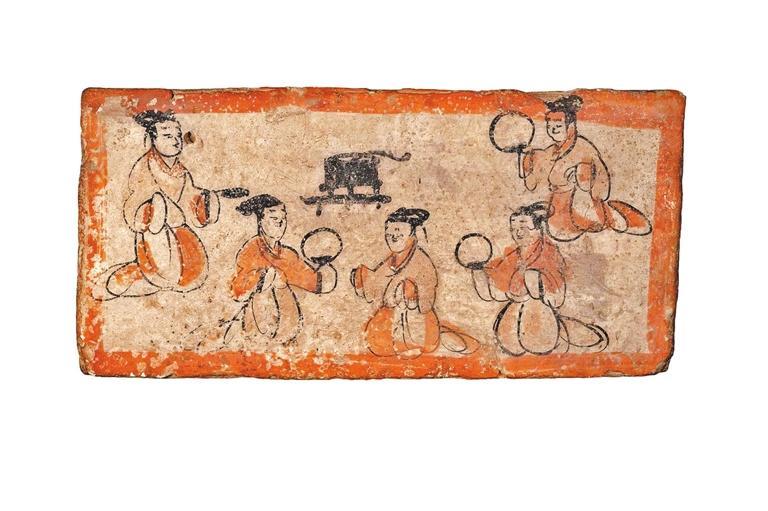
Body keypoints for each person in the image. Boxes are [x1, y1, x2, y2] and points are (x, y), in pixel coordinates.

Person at [100, 110, 221, 298]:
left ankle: (138, 277)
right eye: (167, 136)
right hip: (154, 231)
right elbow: (136, 199)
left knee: (194, 276)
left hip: (179, 229)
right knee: (163, 268)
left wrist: (204, 202)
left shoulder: (181, 172)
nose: (176, 140)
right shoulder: (144, 166)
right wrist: (153, 210)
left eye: (178, 135)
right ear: (152, 139)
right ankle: (133, 277)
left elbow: (189, 197)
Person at [470, 203, 608, 356]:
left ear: (538, 229)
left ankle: (570, 334)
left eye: (524, 228)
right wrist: (477, 270)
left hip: (540, 315)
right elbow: (495, 289)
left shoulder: (548, 252)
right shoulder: (512, 255)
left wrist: (534, 283)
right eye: (514, 229)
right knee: (510, 344)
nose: (518, 233)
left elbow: (556, 297)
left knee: (536, 337)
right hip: (515, 316)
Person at [517, 95, 652, 241]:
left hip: (583, 205)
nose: (553, 130)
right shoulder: (551, 151)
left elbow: (600, 183)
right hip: (558, 209)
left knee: (588, 216)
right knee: (558, 233)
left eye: (558, 126)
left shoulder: (584, 147)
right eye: (549, 127)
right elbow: (533, 181)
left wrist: (580, 175)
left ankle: (616, 217)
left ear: (570, 126)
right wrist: (528, 158)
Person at [351, 208, 479, 358]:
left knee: (414, 335)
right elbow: (378, 286)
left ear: (411, 234)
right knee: (377, 342)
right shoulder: (391, 260)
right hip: (389, 317)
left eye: (399, 234)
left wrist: (413, 295)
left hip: (415, 320)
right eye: (389, 234)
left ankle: (422, 341)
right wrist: (364, 278)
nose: (393, 238)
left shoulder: (421, 261)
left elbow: (427, 294)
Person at [228, 195, 337, 345]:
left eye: (283, 218)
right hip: (259, 334)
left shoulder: (288, 255)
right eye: (273, 218)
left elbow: (314, 282)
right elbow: (237, 290)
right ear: (261, 221)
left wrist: (326, 266)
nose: (280, 222)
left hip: (287, 336)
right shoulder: (251, 250)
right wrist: (265, 278)